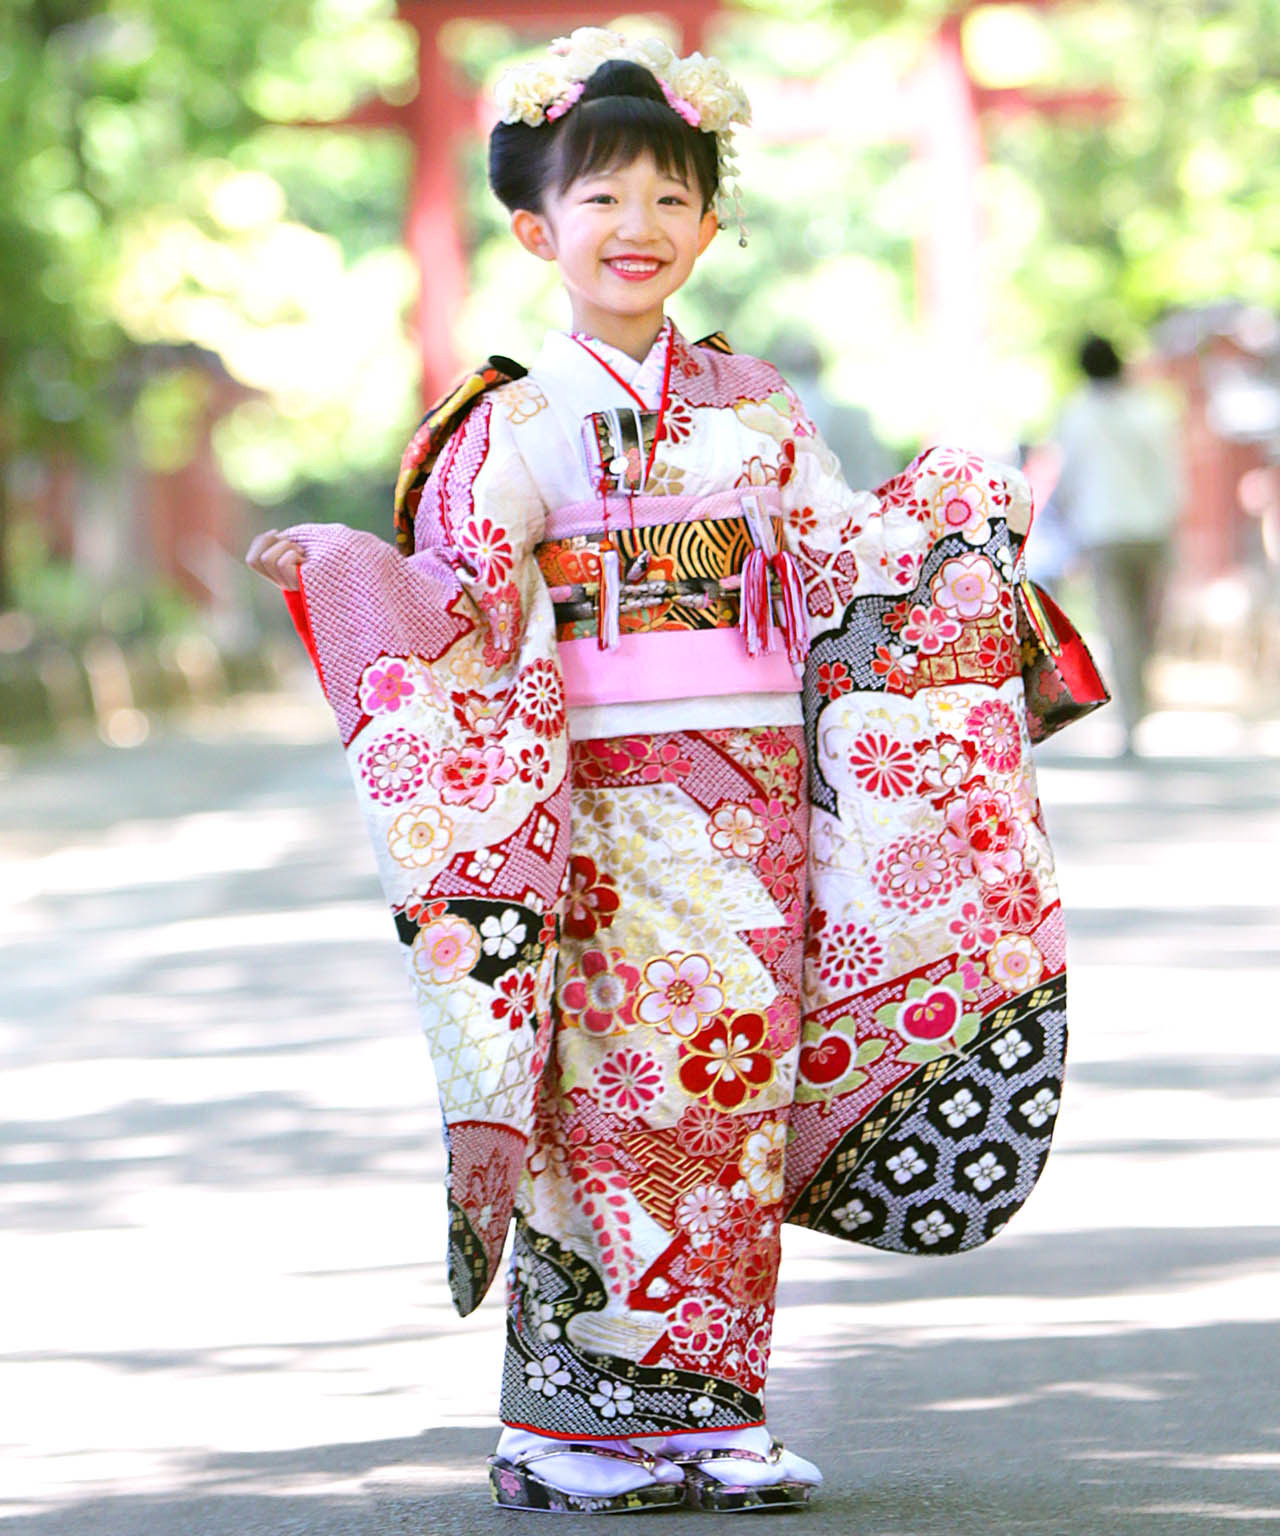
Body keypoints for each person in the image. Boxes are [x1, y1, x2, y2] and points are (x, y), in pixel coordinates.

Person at [246, 29, 1069, 1515]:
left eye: (671, 200)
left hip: (752, 804)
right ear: (535, 229)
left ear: (710, 225)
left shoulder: (755, 407)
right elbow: (465, 607)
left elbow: (843, 557)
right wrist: (347, 569)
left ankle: (710, 1413)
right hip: (601, 812)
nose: (639, 227)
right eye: (604, 199)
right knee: (608, 1103)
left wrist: (957, 521)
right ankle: (565, 1429)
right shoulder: (510, 417)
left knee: (732, 1101)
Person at [1052, 333, 1183, 754]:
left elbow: (1068, 478)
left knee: (1121, 627)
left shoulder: (1076, 414)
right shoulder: (1152, 409)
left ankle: (1132, 713)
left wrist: (1067, 526)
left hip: (1103, 532)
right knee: (1147, 625)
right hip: (1152, 530)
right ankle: (1136, 707)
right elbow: (1172, 470)